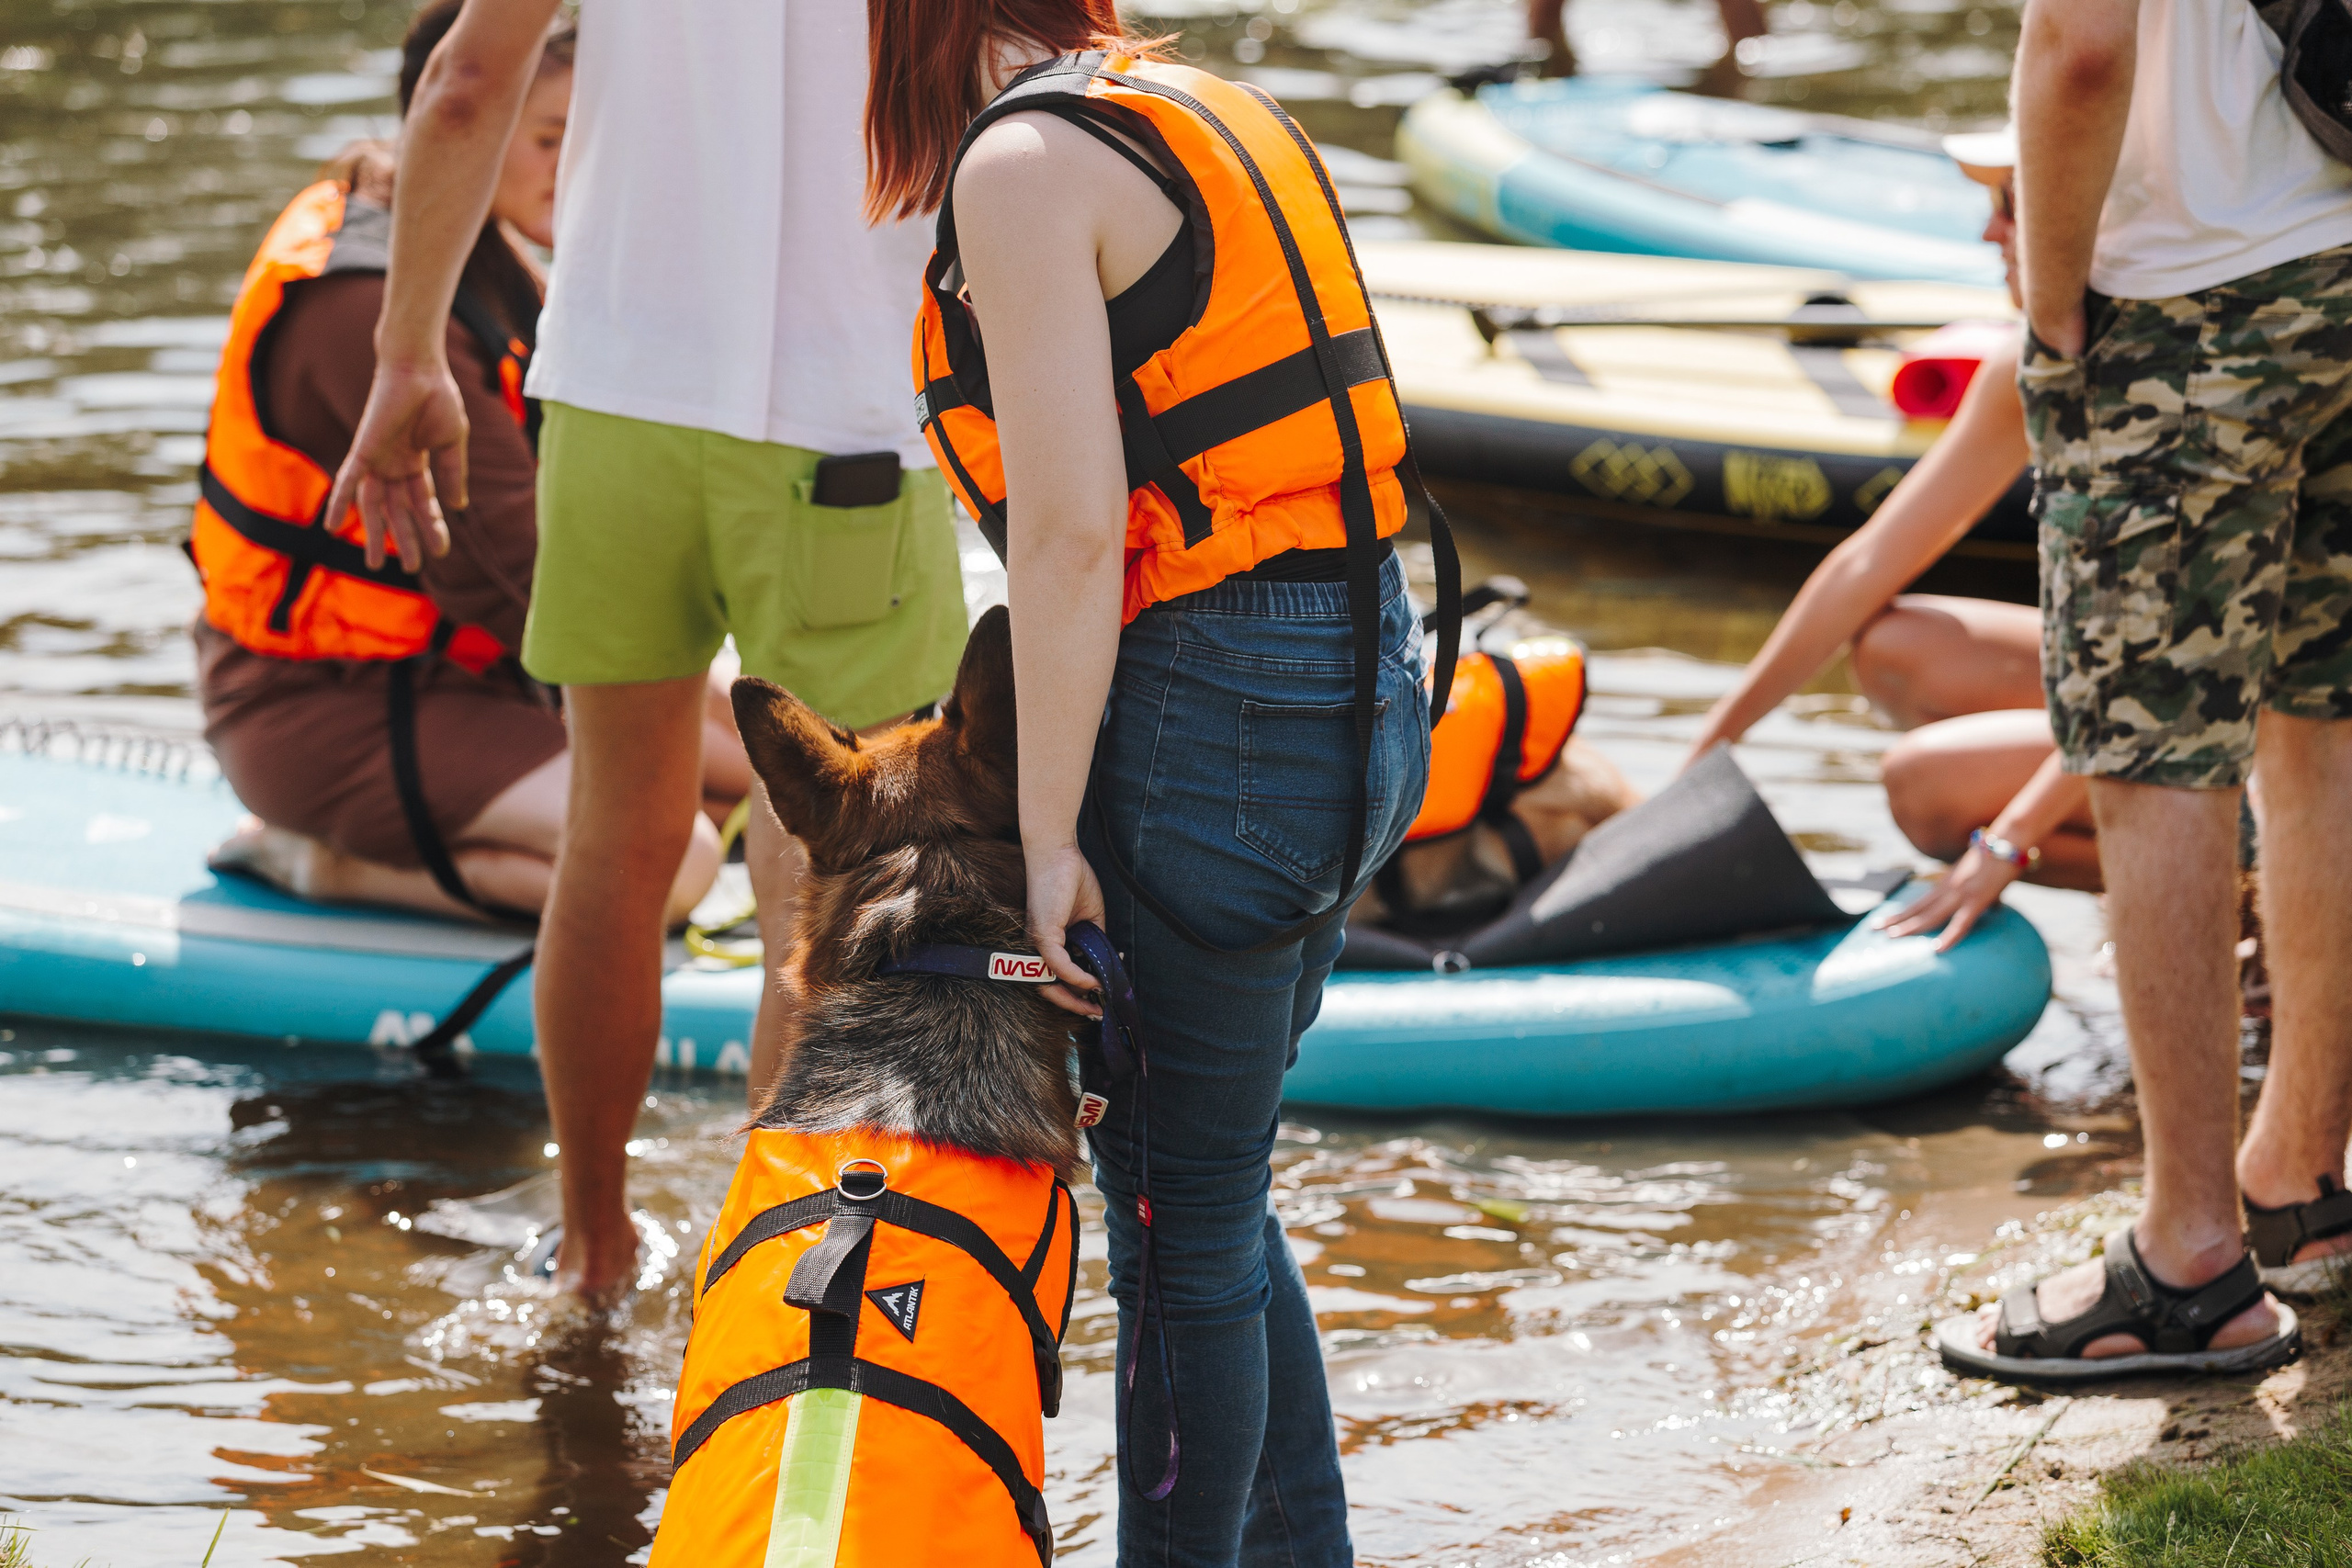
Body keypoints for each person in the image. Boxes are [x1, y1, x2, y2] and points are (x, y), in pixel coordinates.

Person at [866, 3, 1453, 1557]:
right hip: (1365, 678)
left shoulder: (1022, 166)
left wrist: (1047, 836)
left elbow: (1066, 534)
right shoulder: (1203, 102)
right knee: (1214, 1197)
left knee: (1173, 1229)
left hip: (1222, 720)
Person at [327, 1, 969, 1299]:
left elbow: (464, 84)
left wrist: (408, 354)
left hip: (613, 401)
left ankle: (593, 1244)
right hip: (846, 418)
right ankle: (770, 1260)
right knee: (829, 864)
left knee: (614, 841)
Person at [1939, 0, 2352, 1381]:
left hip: (2189, 285)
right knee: (2323, 719)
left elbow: (2084, 44)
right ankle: (2298, 1177)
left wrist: (2055, 304)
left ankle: (2193, 1255)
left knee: (2155, 756)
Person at [195, 5, 741, 929]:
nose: (576, 170)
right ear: (458, 115)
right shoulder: (361, 308)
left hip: (464, 676)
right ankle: (322, 864)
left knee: (759, 775)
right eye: (549, 138)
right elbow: (517, 574)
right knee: (672, 855)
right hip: (327, 706)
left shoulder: (473, 243)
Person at [1688, 127, 2099, 951]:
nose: (1989, 233)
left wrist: (2006, 840)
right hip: (2141, 682)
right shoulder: (2026, 363)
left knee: (1923, 786)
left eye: (2011, 207)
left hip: (2242, 711)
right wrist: (1707, 754)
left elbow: (2170, 668)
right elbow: (1868, 561)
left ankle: (2232, 880)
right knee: (1894, 642)